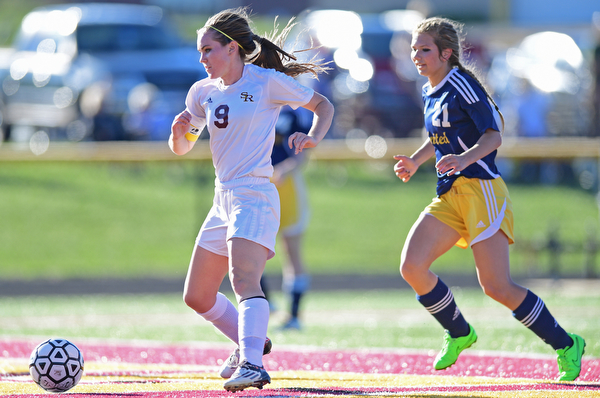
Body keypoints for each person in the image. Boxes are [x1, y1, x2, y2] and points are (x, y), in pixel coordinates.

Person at [392, 17, 585, 382]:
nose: (417, 55)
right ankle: (460, 331)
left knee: (496, 286)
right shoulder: (429, 89)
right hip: (451, 193)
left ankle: (566, 343)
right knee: (412, 267)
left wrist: (464, 159)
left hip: (482, 191)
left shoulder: (461, 84)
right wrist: (416, 161)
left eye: (425, 49)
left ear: (446, 53)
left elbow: (494, 134)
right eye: (414, 49)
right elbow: (438, 137)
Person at [169, 7, 333, 392]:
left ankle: (253, 364)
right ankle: (249, 344)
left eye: (208, 50)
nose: (202, 58)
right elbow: (182, 146)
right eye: (200, 52)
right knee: (197, 295)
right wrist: (179, 134)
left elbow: (322, 106)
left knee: (243, 278)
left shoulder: (265, 82)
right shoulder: (202, 91)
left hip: (254, 193)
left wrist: (313, 137)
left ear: (232, 48)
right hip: (222, 196)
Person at [263, 106, 312, 330]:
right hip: (258, 185)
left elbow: (302, 156)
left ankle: (293, 315)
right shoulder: (252, 101)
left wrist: (283, 169)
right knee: (249, 246)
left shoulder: (293, 113)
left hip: (286, 185)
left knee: (291, 251)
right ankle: (262, 302)